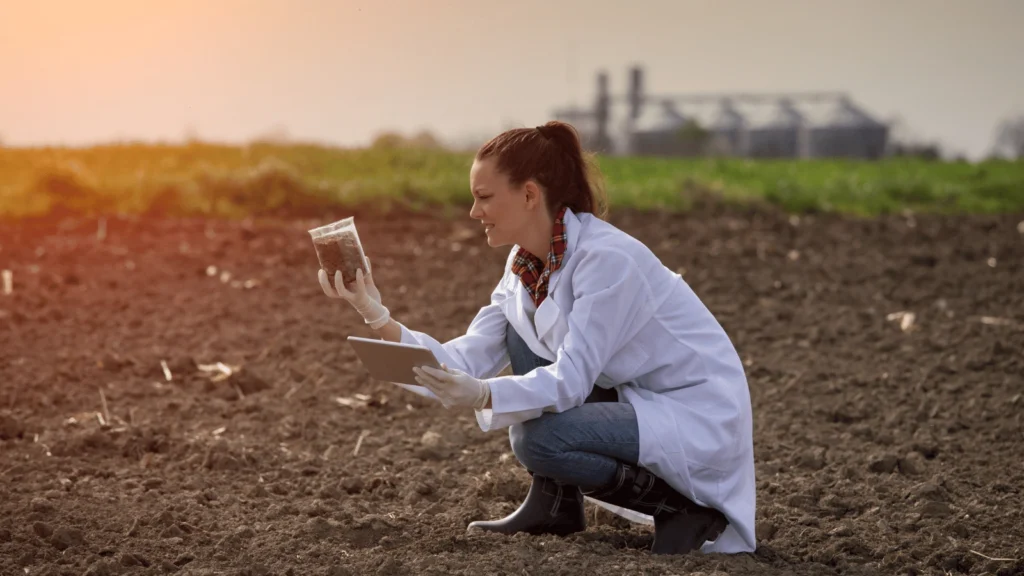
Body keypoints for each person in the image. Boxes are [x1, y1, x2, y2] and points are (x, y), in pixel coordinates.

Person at [317, 121, 756, 555]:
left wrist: (485, 394)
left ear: (529, 194)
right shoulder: (524, 264)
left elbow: (570, 381)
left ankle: (681, 510)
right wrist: (373, 311)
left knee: (539, 439)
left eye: (484, 198)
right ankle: (556, 505)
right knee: (522, 333)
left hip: (694, 409)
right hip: (635, 395)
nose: (474, 213)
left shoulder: (607, 261)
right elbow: (463, 359)